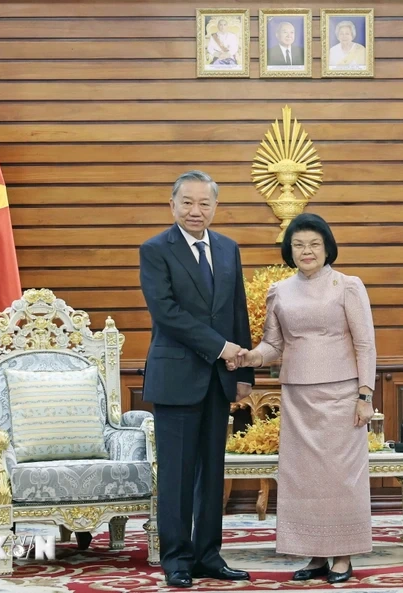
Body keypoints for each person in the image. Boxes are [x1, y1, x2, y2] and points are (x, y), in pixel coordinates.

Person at [230, 213, 375, 584]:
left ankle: (342, 556)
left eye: (313, 244)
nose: (306, 251)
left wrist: (365, 395)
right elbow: (274, 344)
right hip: (296, 396)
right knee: (304, 479)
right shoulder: (280, 290)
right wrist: (252, 357)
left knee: (339, 477)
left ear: (327, 247)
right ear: (289, 250)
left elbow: (365, 344)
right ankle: (314, 556)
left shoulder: (348, 285)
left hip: (342, 395)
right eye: (298, 245)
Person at [139, 170, 255, 589]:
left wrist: (243, 372)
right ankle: (177, 559)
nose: (196, 211)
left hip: (219, 381)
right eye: (187, 202)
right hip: (176, 378)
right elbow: (166, 313)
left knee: (211, 472)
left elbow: (237, 310)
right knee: (177, 473)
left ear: (215, 207)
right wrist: (221, 348)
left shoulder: (228, 249)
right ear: (172, 205)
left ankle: (208, 555)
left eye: (204, 203)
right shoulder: (155, 250)